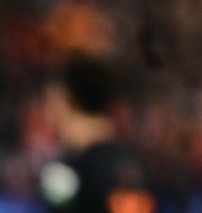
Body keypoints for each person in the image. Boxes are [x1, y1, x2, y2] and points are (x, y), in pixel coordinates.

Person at [39, 53, 156, 213]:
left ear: (69, 100)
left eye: (52, 102)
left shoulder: (65, 173)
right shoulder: (133, 165)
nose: (48, 112)